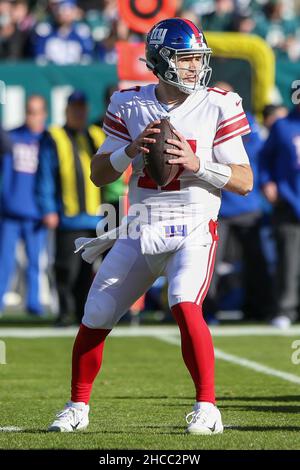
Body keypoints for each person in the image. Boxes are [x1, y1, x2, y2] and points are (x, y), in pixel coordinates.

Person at [48, 18, 253, 435]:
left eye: (199, 58)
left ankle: (208, 408)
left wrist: (198, 165)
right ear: (161, 61)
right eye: (186, 59)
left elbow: (245, 181)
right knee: (97, 311)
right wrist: (129, 152)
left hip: (194, 226)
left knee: (182, 301)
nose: (196, 67)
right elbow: (100, 174)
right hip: (141, 226)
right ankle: (77, 406)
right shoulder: (129, 102)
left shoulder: (219, 103)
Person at [36, 90, 104, 326]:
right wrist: (48, 209)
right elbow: (45, 175)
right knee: (66, 269)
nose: (79, 112)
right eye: (74, 108)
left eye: (82, 108)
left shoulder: (95, 135)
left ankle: (83, 314)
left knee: (88, 272)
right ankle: (65, 311)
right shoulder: (54, 137)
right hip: (69, 216)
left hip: (95, 217)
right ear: (66, 110)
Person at [0, 95, 47, 316]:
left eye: (36, 112)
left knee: (35, 263)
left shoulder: (48, 141)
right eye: (29, 111)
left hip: (36, 213)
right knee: (4, 262)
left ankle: (34, 304)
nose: (32, 116)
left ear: (44, 115)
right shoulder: (11, 138)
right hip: (10, 211)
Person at [260, 102, 300, 329]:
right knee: (288, 259)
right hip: (289, 201)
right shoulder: (282, 126)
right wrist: (267, 183)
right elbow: (265, 159)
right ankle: (286, 309)